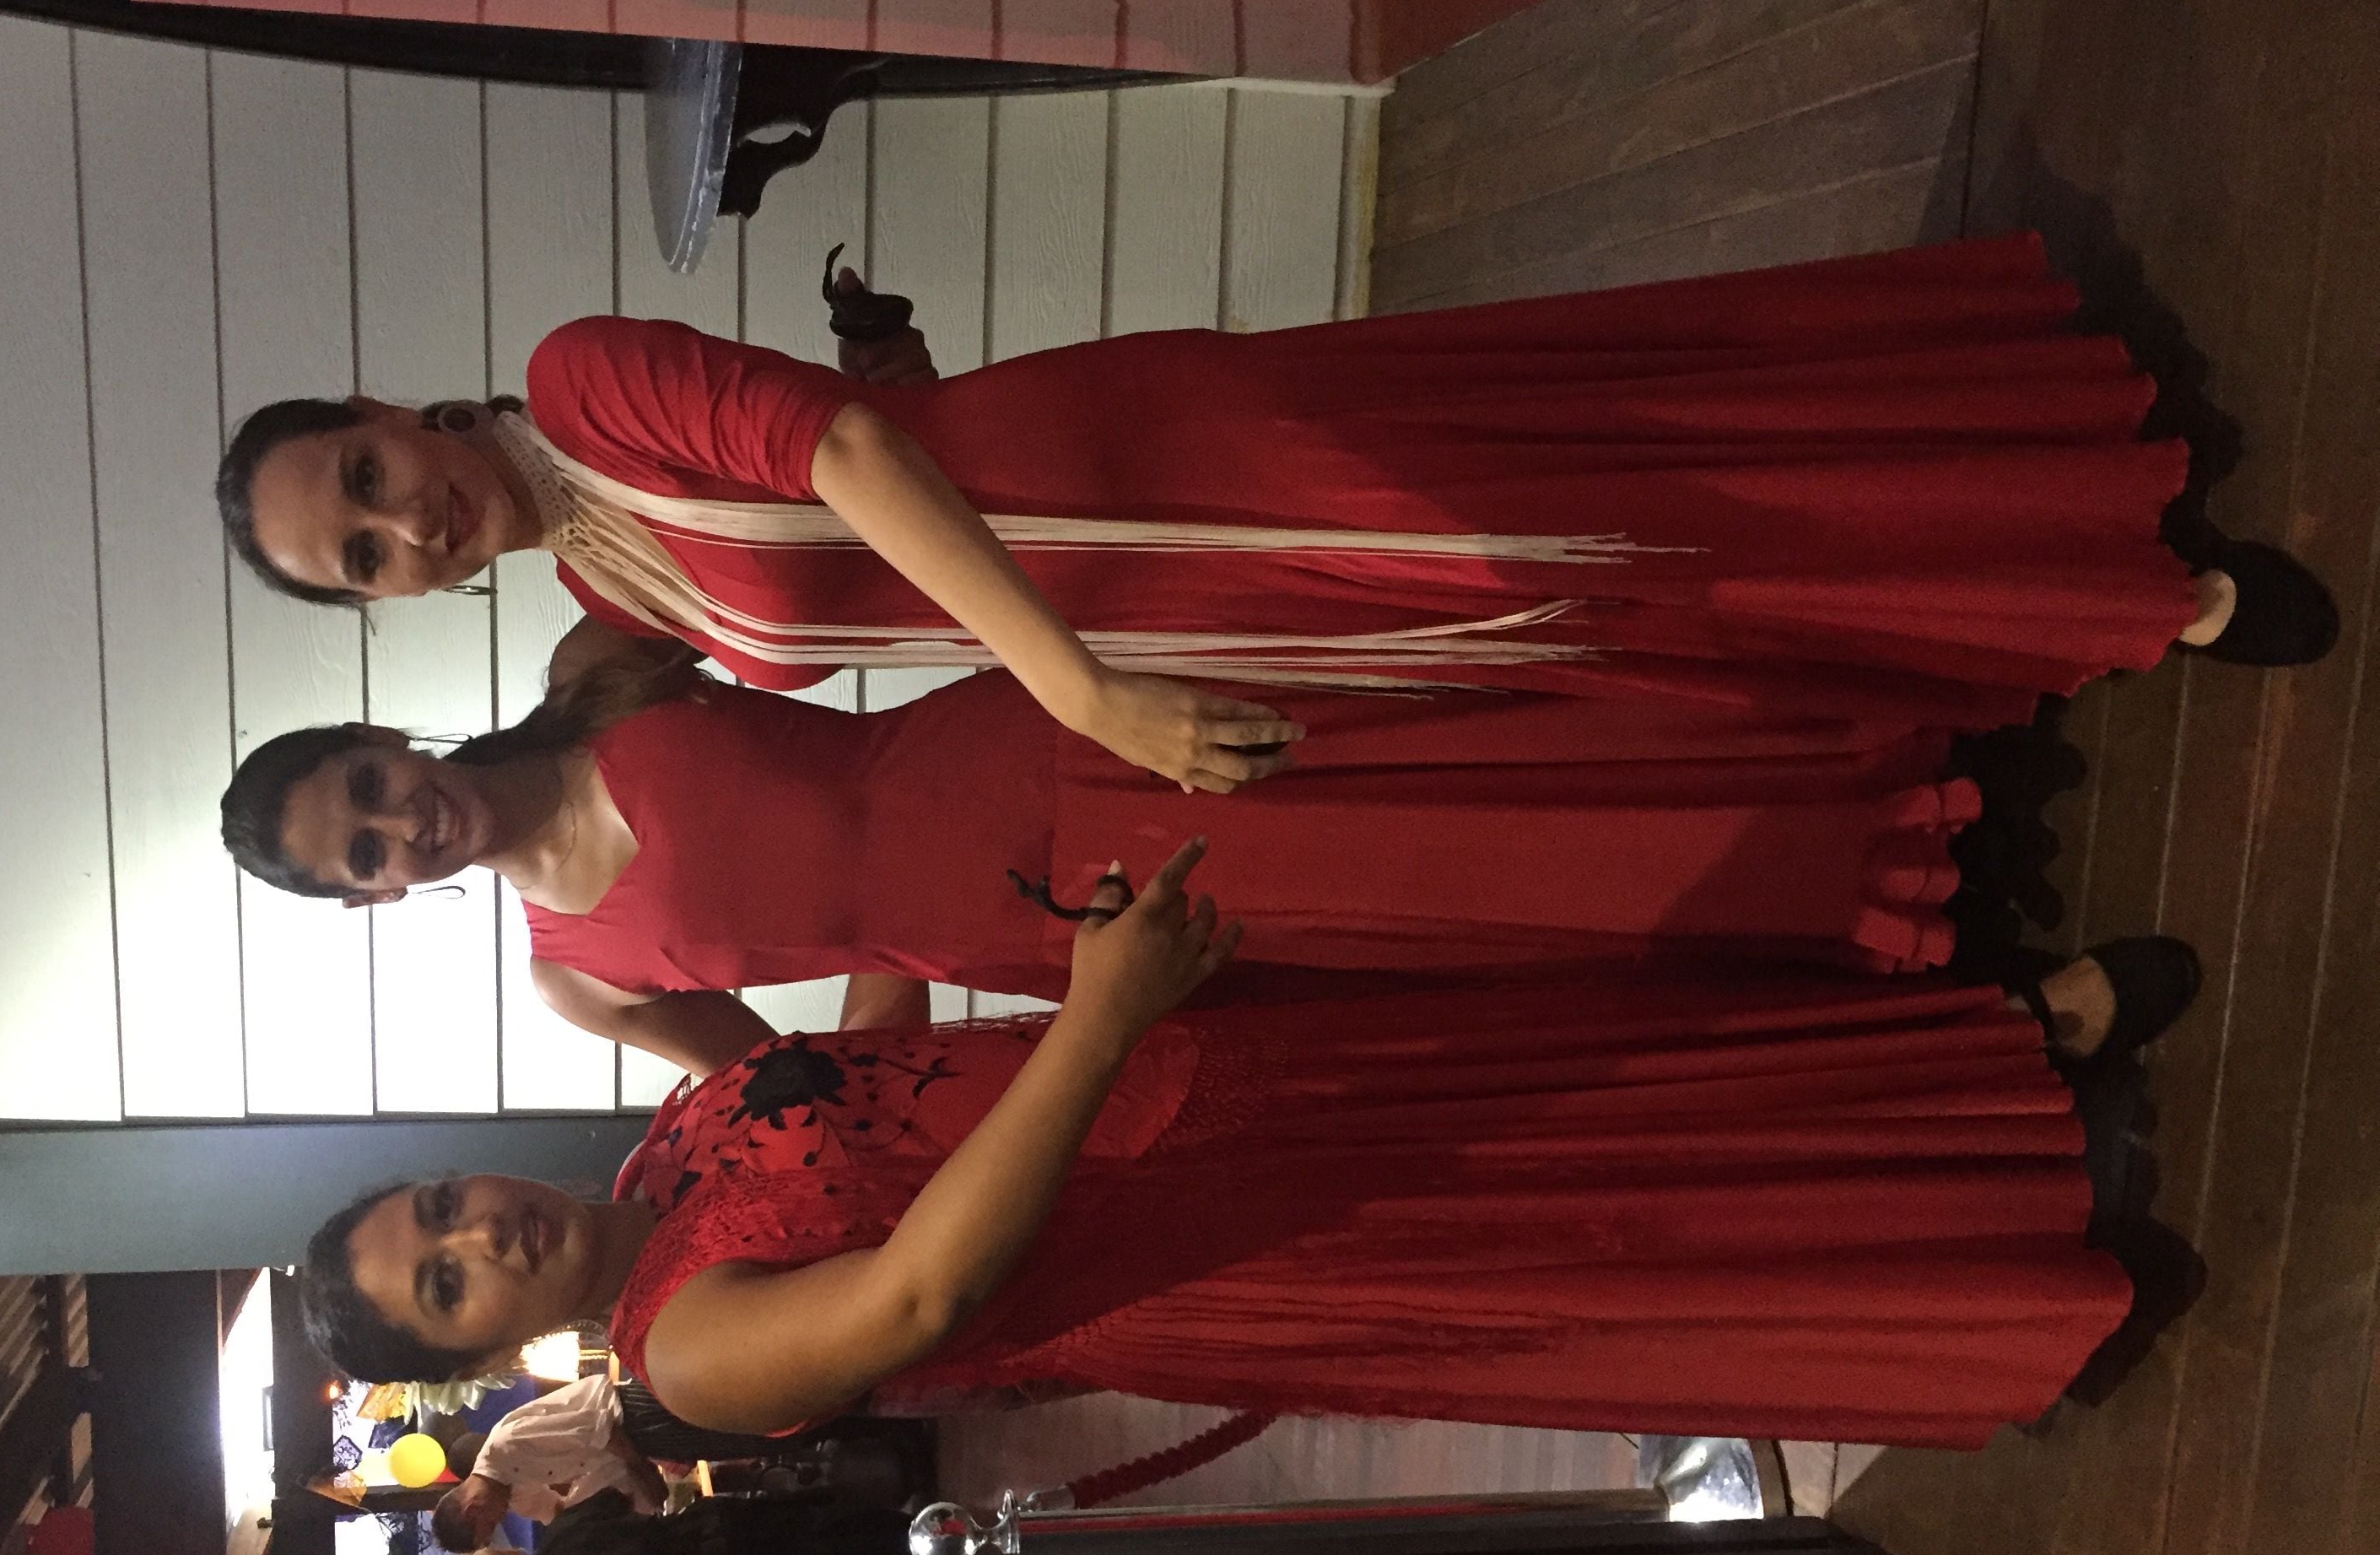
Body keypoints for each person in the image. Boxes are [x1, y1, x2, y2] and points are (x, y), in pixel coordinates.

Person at [217, 235, 2335, 795]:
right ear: (391, 605)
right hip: (1163, 609)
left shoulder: (582, 379)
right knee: (1576, 620)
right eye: (364, 557)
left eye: (367, 478)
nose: (406, 525)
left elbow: (846, 467)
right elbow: (865, 482)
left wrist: (1084, 695)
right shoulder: (606, 591)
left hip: (1167, 479)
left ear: (395, 409)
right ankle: (2007, 595)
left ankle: (2105, 563)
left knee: (1571, 520)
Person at [296, 839, 2203, 1451]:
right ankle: (2003, 1256)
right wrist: (1099, 1016)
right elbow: (923, 1288)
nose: (481, 1234)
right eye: (445, 1281)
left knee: (1593, 1077)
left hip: (1203, 1077)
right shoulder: (681, 1351)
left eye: (440, 1207)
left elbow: (869, 1056)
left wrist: (900, 896)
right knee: (1595, 1231)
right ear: (485, 1351)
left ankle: (1997, 1056)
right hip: (1206, 1230)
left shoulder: (665, 1153)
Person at [224, 651, 1994, 1075]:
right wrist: (926, 964)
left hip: (1041, 742)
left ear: (380, 732)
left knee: (1435, 780)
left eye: (367, 786)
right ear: (375, 898)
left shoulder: (594, 667)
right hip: (1050, 924)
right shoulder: (577, 980)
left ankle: (1855, 796)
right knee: (1431, 902)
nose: (399, 822)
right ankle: (1831, 909)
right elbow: (827, 1090)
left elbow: (794, 548)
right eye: (363, 853)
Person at [436, 1488, 912, 1555]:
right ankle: (909, 1518)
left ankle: (919, 1548)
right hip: (703, 1519)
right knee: (816, 1513)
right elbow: (616, 1499)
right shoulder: (560, 1528)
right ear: (509, 1553)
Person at [426, 1371, 665, 1552]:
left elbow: (604, 1428)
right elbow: (561, 1514)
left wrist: (646, 1476)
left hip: (629, 1412)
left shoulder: (508, 1445)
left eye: (490, 1524)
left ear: (472, 1509)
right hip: (632, 1447)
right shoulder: (514, 1495)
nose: (500, 1519)